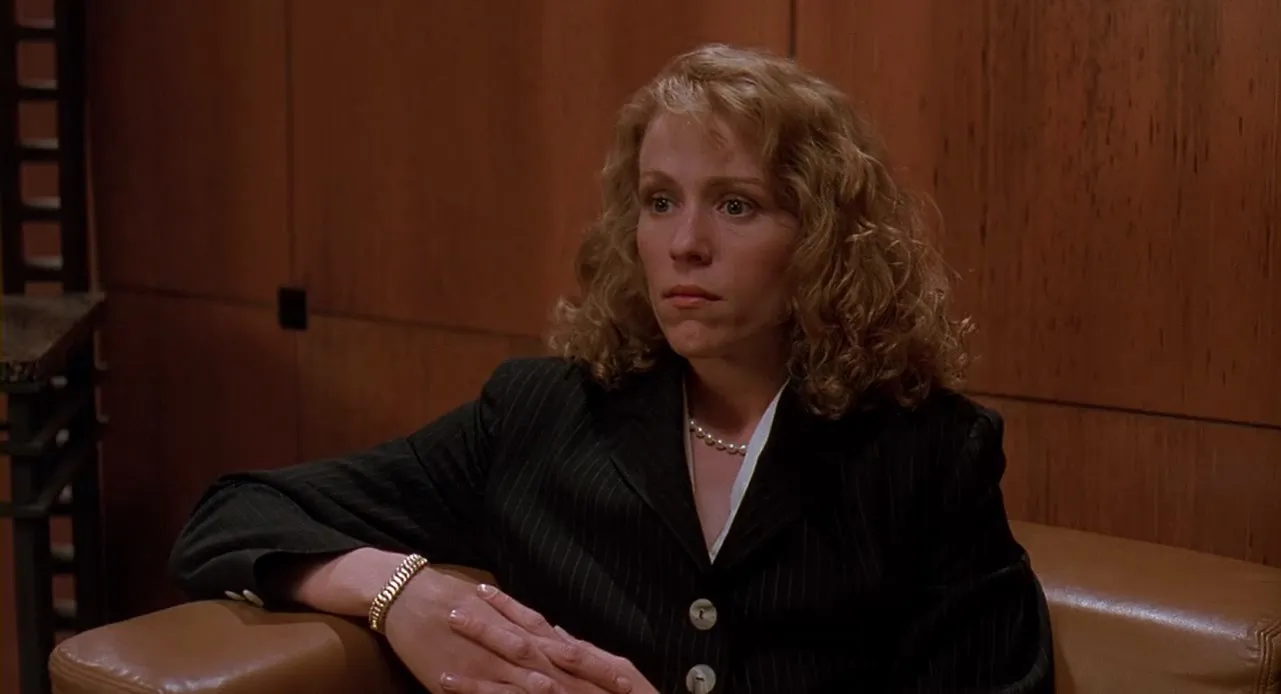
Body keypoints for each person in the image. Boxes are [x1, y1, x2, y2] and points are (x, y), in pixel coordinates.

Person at [170, 43, 1054, 694]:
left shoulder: (927, 454)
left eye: (736, 205)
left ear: (822, 240)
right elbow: (230, 514)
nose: (684, 243)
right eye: (659, 200)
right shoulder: (542, 413)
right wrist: (395, 592)